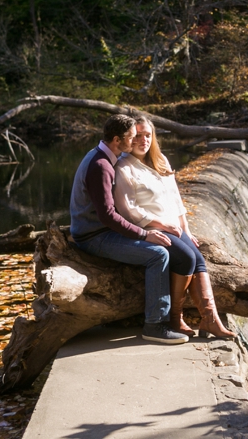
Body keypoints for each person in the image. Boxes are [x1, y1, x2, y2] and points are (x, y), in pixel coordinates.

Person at [69, 114, 189, 345]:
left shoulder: (103, 156)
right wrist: (145, 234)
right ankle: (155, 325)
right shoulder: (101, 166)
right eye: (132, 137)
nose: (136, 142)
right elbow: (108, 216)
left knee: (162, 251)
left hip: (100, 230)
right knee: (157, 255)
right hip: (93, 237)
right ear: (117, 140)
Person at [114, 115, 236, 339]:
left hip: (174, 226)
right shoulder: (123, 167)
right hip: (151, 228)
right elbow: (127, 209)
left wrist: (186, 228)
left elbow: (175, 198)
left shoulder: (161, 160)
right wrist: (160, 224)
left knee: (198, 258)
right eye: (138, 135)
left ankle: (210, 319)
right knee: (186, 258)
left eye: (148, 135)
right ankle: (175, 317)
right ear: (129, 138)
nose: (143, 140)